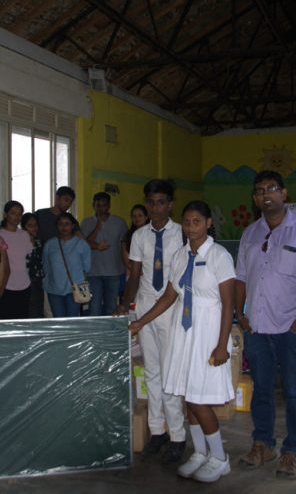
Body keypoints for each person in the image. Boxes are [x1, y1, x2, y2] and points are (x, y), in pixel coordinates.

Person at [129, 201, 235, 482]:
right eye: (187, 222)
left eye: (197, 221)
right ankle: (200, 452)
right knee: (189, 397)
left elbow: (229, 304)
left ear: (208, 223)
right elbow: (169, 296)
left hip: (208, 333)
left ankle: (219, 458)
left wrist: (222, 344)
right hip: (183, 332)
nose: (191, 227)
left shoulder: (219, 256)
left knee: (200, 400)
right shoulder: (180, 256)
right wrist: (141, 321)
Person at [234, 170, 296, 478]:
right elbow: (241, 277)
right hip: (256, 326)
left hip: (292, 327)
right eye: (259, 190)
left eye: (271, 188)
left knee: (295, 391)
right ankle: (263, 444)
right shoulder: (250, 233)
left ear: (284, 193)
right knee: (261, 388)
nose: (265, 194)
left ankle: (293, 450)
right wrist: (240, 315)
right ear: (254, 197)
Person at [115, 179, 187, 464]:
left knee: (170, 373)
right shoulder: (139, 235)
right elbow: (135, 274)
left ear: (170, 205)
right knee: (151, 371)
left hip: (171, 308)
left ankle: (178, 435)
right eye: (151, 203)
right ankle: (157, 431)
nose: (155, 208)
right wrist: (124, 305)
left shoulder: (182, 234)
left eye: (161, 203)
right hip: (145, 307)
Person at [80, 192, 128, 315]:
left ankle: (110, 328)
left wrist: (127, 267)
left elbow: (125, 246)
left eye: (104, 205)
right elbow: (84, 244)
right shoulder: (86, 222)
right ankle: (95, 328)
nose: (101, 209)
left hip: (114, 272)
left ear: (109, 206)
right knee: (94, 308)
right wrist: (97, 227)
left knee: (111, 307)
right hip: (93, 273)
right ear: (93, 205)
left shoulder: (119, 223)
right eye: (98, 206)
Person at [42, 212, 91, 317]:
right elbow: (46, 265)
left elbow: (87, 267)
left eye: (67, 224)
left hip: (75, 289)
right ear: (57, 226)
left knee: (72, 319)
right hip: (54, 289)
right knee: (58, 320)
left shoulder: (81, 244)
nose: (63, 227)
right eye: (60, 224)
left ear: (72, 226)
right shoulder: (50, 244)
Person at [0, 201, 33, 319]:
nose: (16, 217)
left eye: (19, 214)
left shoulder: (24, 235)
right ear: (5, 214)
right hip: (5, 285)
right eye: (13, 213)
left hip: (24, 284)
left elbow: (29, 256)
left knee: (22, 319)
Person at [22, 212, 45, 318]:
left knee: (37, 311)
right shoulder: (19, 243)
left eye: (35, 225)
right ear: (23, 227)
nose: (34, 228)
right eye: (30, 225)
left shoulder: (41, 242)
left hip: (39, 281)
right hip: (23, 281)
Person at [123, 204, 150, 274]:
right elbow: (127, 262)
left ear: (146, 217)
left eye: (140, 215)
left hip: (150, 275)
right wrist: (140, 272)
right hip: (133, 274)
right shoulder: (128, 236)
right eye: (134, 216)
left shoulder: (153, 234)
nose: (137, 218)